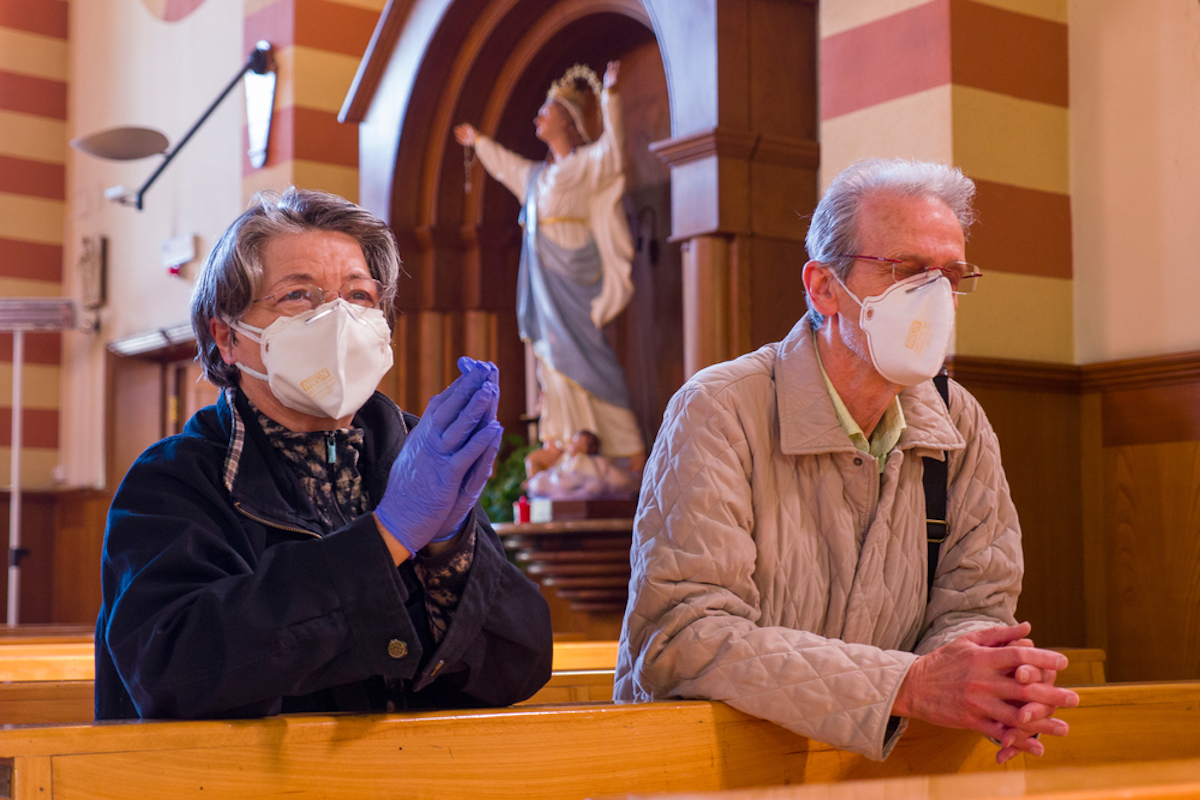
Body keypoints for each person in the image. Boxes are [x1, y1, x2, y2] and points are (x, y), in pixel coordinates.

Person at [615, 158, 1079, 763]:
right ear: (823, 287)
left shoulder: (957, 420)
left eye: (951, 276)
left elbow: (974, 607)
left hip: (876, 774)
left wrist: (986, 682)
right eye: (908, 271)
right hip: (715, 769)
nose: (934, 298)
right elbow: (685, 637)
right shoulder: (720, 409)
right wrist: (906, 685)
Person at [95, 187, 553, 720]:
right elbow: (173, 670)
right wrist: (385, 540)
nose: (336, 319)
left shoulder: (414, 456)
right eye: (298, 296)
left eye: (358, 296)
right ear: (227, 337)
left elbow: (521, 664)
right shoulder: (175, 479)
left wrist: (450, 551)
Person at [454, 60, 645, 475]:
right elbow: (506, 166)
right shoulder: (538, 177)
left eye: (546, 111)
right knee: (551, 358)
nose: (538, 117)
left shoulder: (586, 164)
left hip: (577, 273)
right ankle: (563, 439)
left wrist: (610, 98)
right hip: (544, 280)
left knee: (588, 352)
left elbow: (615, 151)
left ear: (567, 119)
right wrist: (479, 142)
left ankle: (626, 444)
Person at [525, 429, 635, 500]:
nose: (573, 446)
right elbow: (557, 471)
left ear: (587, 448)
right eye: (573, 443)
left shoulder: (587, 461)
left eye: (577, 443)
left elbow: (585, 478)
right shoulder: (567, 459)